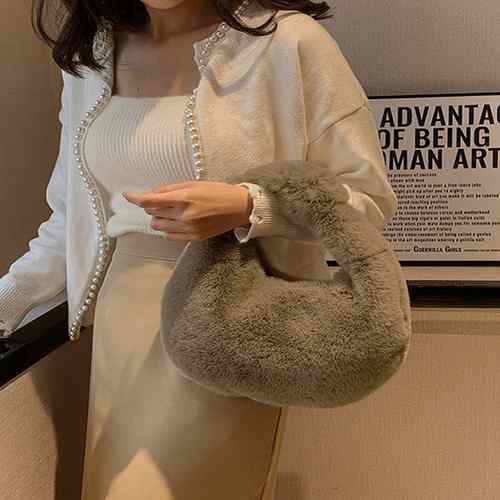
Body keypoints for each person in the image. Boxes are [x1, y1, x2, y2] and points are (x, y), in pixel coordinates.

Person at [0, 0, 398, 498]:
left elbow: (367, 200)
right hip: (122, 329)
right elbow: (67, 222)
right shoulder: (92, 58)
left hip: (228, 321)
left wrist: (248, 206)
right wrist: (5, 304)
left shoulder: (286, 43)